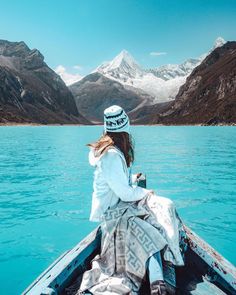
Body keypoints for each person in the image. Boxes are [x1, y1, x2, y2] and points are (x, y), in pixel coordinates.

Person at [79, 105, 184, 295]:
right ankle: (158, 280)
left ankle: (158, 280)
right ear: (125, 129)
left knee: (157, 215)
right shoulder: (111, 155)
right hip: (113, 215)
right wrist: (145, 192)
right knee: (151, 227)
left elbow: (118, 184)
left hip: (120, 208)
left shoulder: (112, 153)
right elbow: (126, 194)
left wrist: (133, 179)